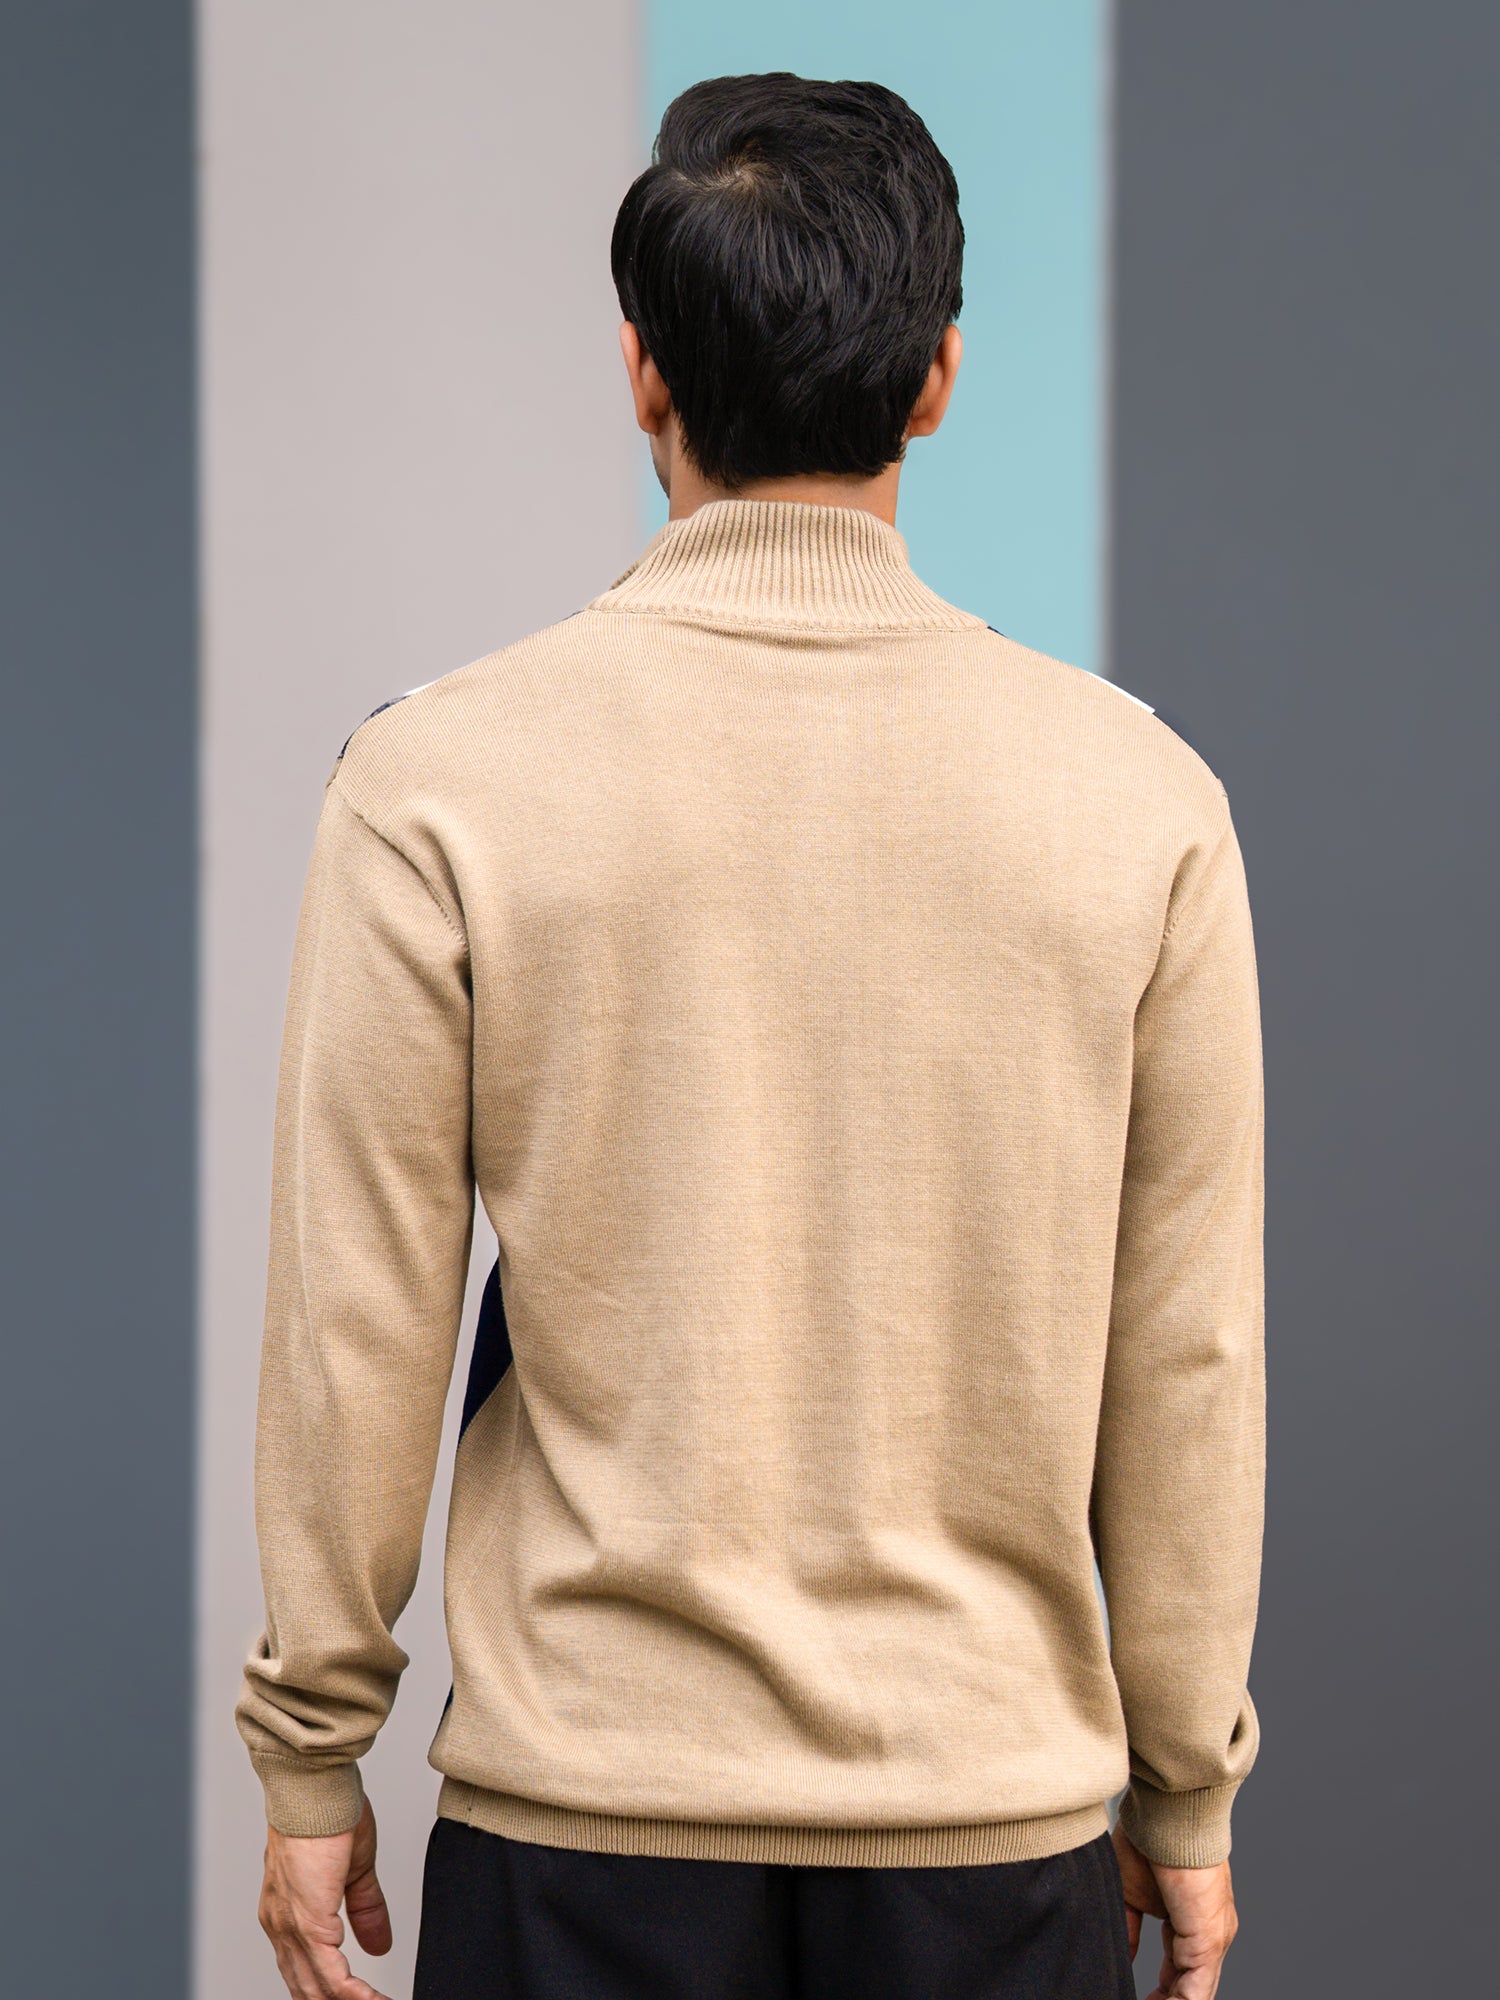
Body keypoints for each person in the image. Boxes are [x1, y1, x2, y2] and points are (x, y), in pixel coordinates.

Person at [240, 72, 1263, 2000]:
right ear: (936, 380)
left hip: (580, 1826)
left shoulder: (439, 783)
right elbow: (1185, 1350)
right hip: (992, 1831)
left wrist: (312, 1752)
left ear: (643, 371)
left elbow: (357, 1313)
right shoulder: (1141, 803)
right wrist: (1186, 1786)